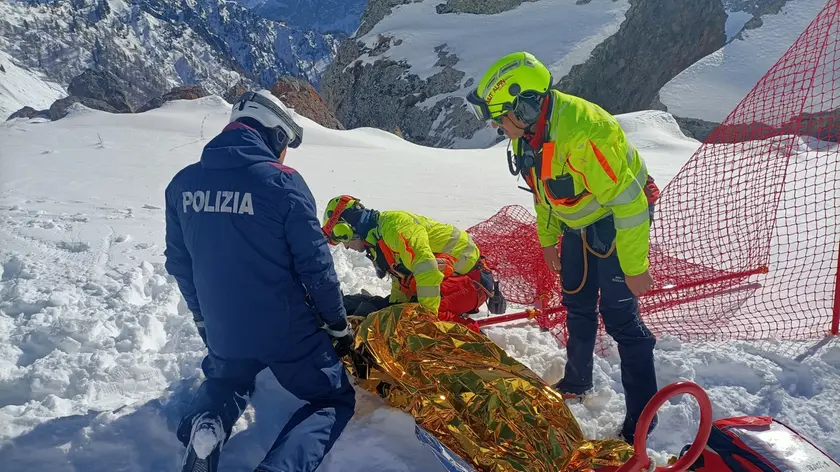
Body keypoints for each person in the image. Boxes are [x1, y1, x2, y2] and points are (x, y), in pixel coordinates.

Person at [466, 51, 661, 446]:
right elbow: (544, 194)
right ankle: (577, 379)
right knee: (576, 302)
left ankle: (645, 411)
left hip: (618, 217)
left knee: (621, 320)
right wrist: (548, 241)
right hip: (577, 221)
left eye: (500, 115)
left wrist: (635, 265)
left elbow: (630, 204)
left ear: (526, 105)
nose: (495, 124)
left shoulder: (586, 134)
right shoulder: (528, 136)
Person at [164, 90, 356, 472]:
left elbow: (180, 264)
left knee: (227, 380)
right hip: (285, 330)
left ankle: (208, 425)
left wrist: (205, 321)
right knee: (333, 400)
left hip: (223, 328)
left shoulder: (182, 185)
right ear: (277, 136)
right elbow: (315, 266)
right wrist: (336, 325)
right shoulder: (282, 182)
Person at [320, 195, 507, 332]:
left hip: (472, 281)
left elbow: (428, 270)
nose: (344, 246)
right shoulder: (377, 239)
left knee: (416, 316)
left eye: (341, 237)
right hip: (445, 278)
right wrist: (392, 308)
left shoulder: (394, 227)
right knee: (392, 311)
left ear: (348, 228)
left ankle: (471, 334)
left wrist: (425, 320)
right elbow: (400, 279)